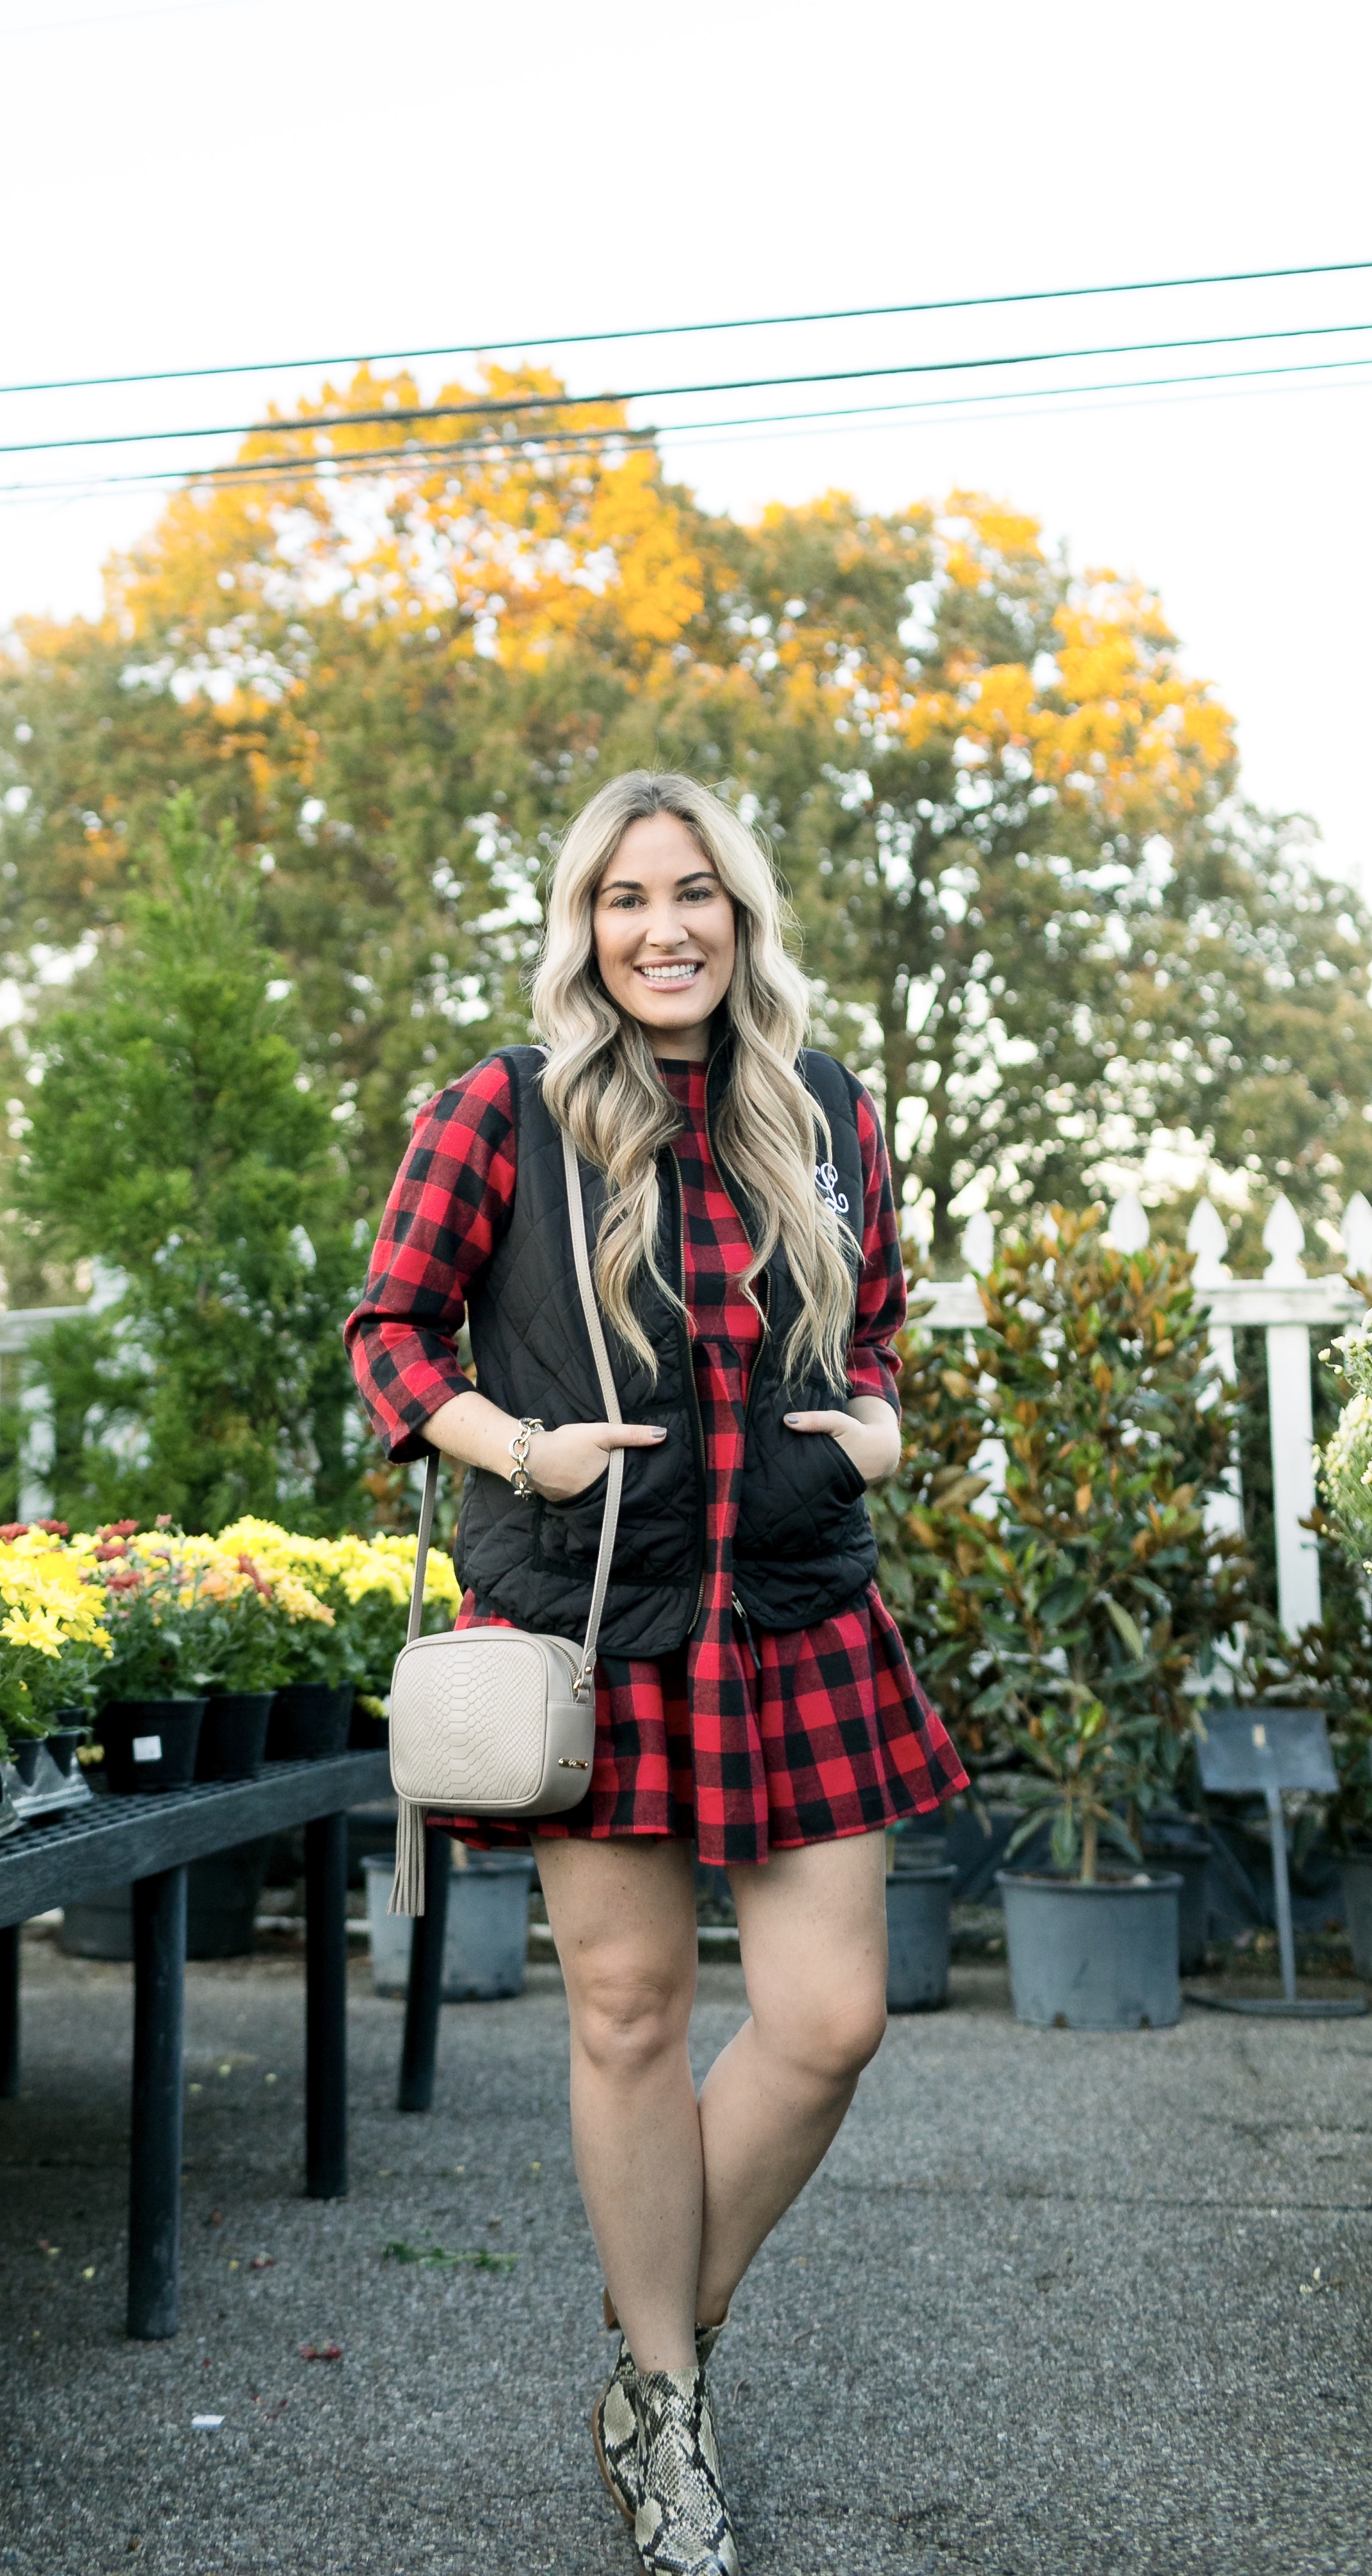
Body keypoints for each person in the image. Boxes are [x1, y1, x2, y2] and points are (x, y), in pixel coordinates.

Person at [345, 768, 966, 2576]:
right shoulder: (506, 1111)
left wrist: (867, 1438)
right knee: (625, 2016)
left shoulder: (829, 1108)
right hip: (588, 1620)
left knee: (829, 2021)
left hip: (793, 1613)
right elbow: (389, 1334)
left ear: (741, 915)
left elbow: (888, 1328)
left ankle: (649, 2345)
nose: (665, 927)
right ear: (584, 927)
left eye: (695, 892)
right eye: (626, 899)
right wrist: (514, 1450)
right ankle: (671, 2399)